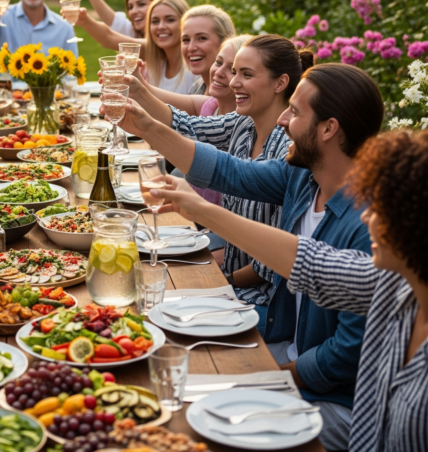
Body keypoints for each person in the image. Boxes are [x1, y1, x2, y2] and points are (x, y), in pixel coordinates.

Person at [150, 129, 428, 452]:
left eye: (382, 209)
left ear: (424, 230)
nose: (366, 216)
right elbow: (309, 262)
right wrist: (200, 208)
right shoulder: (404, 282)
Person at [116, 63, 384, 451]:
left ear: (329, 129)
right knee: (164, 359)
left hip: (339, 401)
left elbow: (346, 353)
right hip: (287, 341)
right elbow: (231, 172)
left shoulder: (367, 225)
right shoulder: (304, 177)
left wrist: (275, 374)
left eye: (294, 111)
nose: (282, 121)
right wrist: (147, 128)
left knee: (193, 415)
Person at [129, 36, 310, 316]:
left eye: (246, 74)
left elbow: (270, 266)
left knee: (156, 305)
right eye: (234, 72)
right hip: (230, 277)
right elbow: (185, 126)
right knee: (144, 288)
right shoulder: (242, 122)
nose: (234, 82)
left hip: (261, 302)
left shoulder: (287, 149)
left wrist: (219, 282)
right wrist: (138, 95)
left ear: (280, 83)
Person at [72, 0, 162, 39]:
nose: (134, 11)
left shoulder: (164, 40)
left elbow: (109, 38)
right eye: (130, 7)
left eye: (141, 4)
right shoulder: (133, 32)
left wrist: (86, 22)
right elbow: (115, 22)